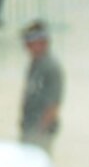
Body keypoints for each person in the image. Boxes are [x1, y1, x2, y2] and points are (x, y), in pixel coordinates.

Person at [18, 19, 63, 151]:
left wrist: (39, 133)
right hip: (29, 126)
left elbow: (53, 106)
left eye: (30, 43)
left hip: (39, 132)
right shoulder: (35, 63)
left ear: (42, 43)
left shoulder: (51, 68)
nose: (26, 47)